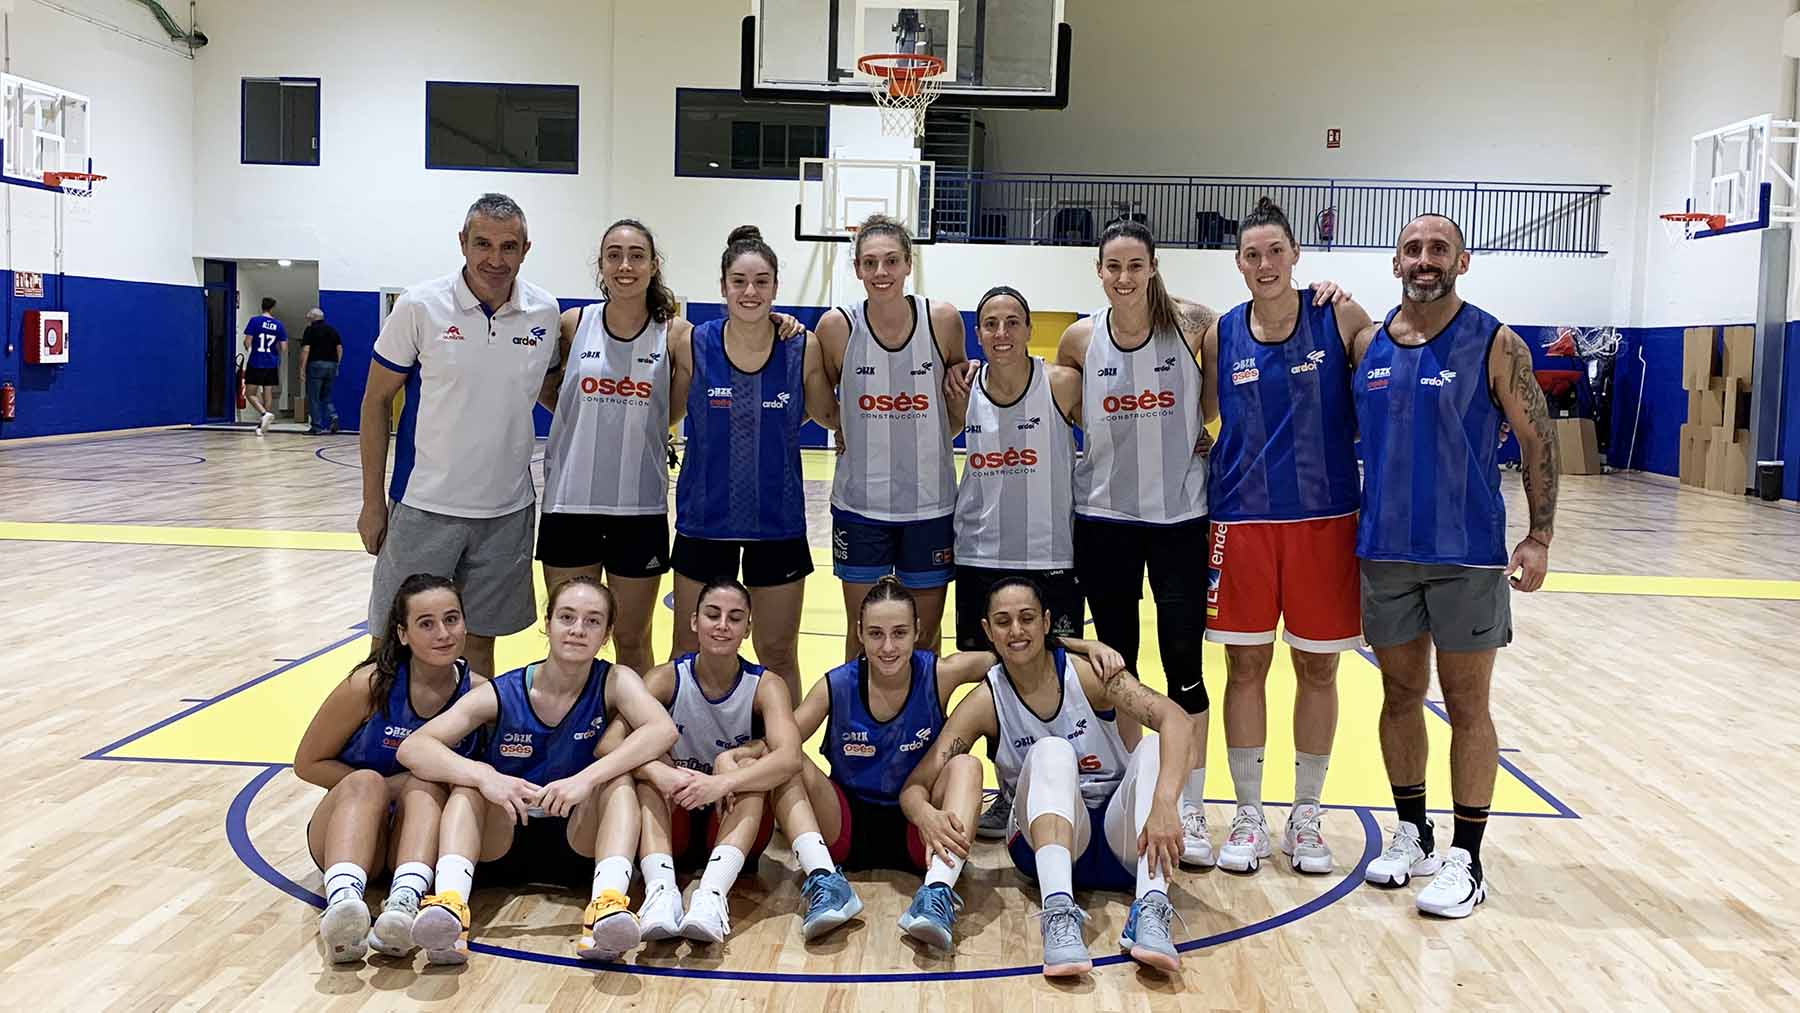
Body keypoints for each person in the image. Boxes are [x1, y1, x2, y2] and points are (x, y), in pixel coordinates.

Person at [711, 576, 1127, 953]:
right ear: (859, 634)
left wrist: (1083, 645)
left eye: (899, 634)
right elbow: (782, 746)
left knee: (964, 765)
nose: (887, 647)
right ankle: (824, 878)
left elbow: (1018, 646)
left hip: (921, 832)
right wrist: (740, 756)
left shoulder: (941, 674)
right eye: (875, 634)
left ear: (918, 634)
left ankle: (938, 892)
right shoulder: (836, 685)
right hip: (845, 825)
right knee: (791, 762)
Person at [1350, 213, 1559, 918]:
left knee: (1467, 706)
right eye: (1412, 248)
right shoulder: (1369, 344)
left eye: (1439, 248)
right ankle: (1412, 831)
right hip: (1385, 553)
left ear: (1461, 261)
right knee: (1399, 698)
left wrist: (1540, 536)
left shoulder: (1494, 341)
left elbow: (1537, 439)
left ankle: (1468, 857)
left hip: (1467, 554)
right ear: (1395, 262)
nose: (1425, 258)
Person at [537, 219, 804, 673]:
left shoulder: (678, 335)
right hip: (568, 504)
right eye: (614, 255)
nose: (625, 265)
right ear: (600, 264)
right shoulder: (571, 324)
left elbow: (679, 407)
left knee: (632, 638)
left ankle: (637, 740)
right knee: (567, 638)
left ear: (654, 265)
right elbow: (548, 390)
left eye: (637, 255)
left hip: (638, 509)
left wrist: (777, 321)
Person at [902, 577, 1196, 977]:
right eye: (1003, 622)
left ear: (1046, 622)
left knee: (1152, 749)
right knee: (1052, 750)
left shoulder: (1090, 675)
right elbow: (917, 783)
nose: (1016, 631)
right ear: (988, 631)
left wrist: (1163, 804)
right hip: (1040, 850)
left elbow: (1176, 719)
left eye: (1026, 618)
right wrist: (925, 815)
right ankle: (1059, 916)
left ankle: (1150, 909)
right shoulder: (986, 701)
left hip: (1120, 841)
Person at [1199, 197, 1371, 875]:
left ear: (1297, 256)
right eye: (1252, 254)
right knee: (1245, 667)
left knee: (1318, 667)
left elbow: (1389, 369)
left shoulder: (1339, 314)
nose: (1265, 264)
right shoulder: (1221, 333)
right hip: (1240, 520)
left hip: (1324, 519)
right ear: (1238, 263)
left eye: (1276, 251)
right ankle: (1247, 813)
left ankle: (1306, 814)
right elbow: (1201, 411)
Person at [394, 577, 680, 964]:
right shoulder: (504, 691)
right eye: (567, 617)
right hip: (506, 837)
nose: (578, 629)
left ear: (607, 634)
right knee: (468, 785)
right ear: (547, 623)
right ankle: (450, 906)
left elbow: (661, 729)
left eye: (593, 621)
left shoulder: (614, 680)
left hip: (578, 840)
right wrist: (485, 776)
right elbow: (414, 747)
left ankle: (607, 905)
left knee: (618, 780)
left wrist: (586, 778)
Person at [1050, 220, 1217, 862]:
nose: (1124, 277)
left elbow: (1211, 401)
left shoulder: (1196, 324)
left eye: (1135, 265)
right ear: (1099, 272)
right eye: (1112, 266)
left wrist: (1198, 435)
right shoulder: (1080, 338)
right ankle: (1129, 788)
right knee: (1118, 664)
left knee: (1184, 666)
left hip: (1179, 520)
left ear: (1153, 267)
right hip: (1105, 521)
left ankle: (1191, 805)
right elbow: (1066, 405)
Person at [357, 193, 561, 680]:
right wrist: (371, 502)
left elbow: (553, 393)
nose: (495, 258)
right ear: (462, 243)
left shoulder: (544, 312)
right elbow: (374, 402)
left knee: (479, 651)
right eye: (483, 244)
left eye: (508, 246)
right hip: (425, 505)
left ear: (526, 249)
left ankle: (469, 749)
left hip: (506, 511)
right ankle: (377, 746)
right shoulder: (419, 306)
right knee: (390, 646)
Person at [669, 225, 837, 701]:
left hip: (776, 525)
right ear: (722, 286)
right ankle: (683, 747)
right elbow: (666, 413)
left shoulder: (801, 347)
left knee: (778, 652)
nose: (750, 291)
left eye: (761, 281)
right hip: (705, 523)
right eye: (739, 281)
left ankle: (781, 756)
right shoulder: (692, 343)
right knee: (689, 647)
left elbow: (829, 415)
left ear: (776, 288)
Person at [618, 577, 824, 946]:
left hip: (731, 823)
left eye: (734, 617)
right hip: (672, 817)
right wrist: (659, 773)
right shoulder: (665, 679)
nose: (722, 625)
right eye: (713, 615)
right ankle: (660, 892)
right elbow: (610, 744)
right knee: (647, 765)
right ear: (694, 621)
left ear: (748, 628)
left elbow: (791, 758)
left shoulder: (765, 685)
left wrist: (722, 782)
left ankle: (711, 897)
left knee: (751, 772)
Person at [292, 574, 483, 963]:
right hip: (347, 827)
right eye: (425, 624)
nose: (442, 633)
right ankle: (343, 903)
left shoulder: (479, 693)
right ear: (402, 634)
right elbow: (307, 763)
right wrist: (383, 788)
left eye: (451, 619)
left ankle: (404, 904)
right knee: (368, 782)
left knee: (427, 786)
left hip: (414, 839)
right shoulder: (369, 685)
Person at [815, 215, 968, 659]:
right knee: (863, 632)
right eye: (870, 263)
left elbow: (952, 414)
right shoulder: (836, 327)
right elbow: (825, 404)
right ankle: (855, 723)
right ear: (857, 269)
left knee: (924, 635)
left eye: (891, 261)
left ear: (908, 265)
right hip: (861, 506)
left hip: (930, 505)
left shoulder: (942, 321)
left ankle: (924, 727)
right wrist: (845, 427)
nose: (881, 272)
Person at [947, 285, 1084, 653]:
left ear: (1029, 329)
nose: (1001, 333)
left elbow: (1118, 434)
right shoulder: (963, 389)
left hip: (1049, 553)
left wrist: (1193, 433)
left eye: (1012, 323)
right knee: (982, 668)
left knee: (1061, 668)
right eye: (990, 324)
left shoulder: (1062, 384)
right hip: (979, 553)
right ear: (977, 334)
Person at [242, 297, 286, 435]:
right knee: (267, 393)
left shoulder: (254, 321)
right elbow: (283, 348)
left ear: (261, 307)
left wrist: (250, 350)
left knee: (250, 393)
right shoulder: (279, 325)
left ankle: (264, 414)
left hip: (256, 361)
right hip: (271, 363)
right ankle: (262, 426)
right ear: (272, 308)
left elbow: (247, 341)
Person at [299, 307, 343, 435]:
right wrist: (336, 364)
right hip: (332, 365)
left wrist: (302, 369)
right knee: (326, 396)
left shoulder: (310, 330)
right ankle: (333, 416)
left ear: (312, 318)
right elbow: (340, 348)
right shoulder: (332, 330)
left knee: (314, 397)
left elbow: (306, 350)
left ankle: (316, 427)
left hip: (316, 365)